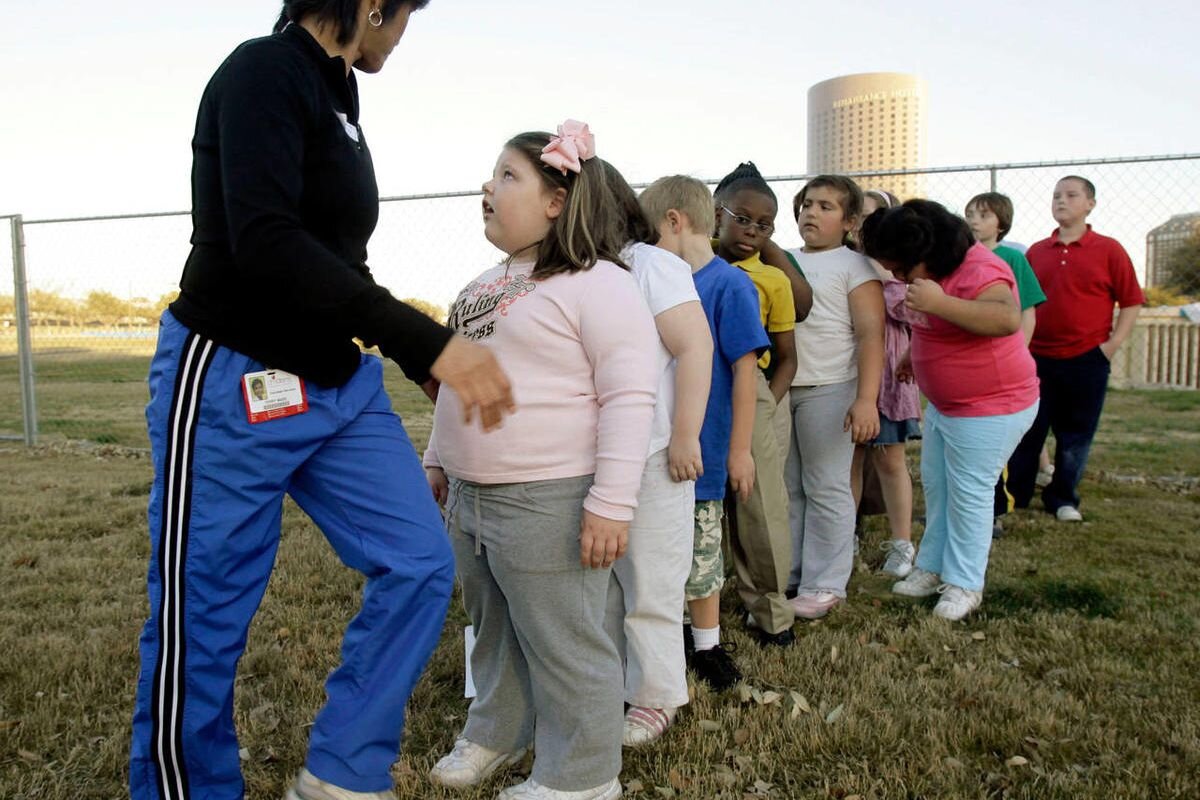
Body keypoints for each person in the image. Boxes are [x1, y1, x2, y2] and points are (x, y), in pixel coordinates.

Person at [130, 3, 514, 800]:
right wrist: (427, 338)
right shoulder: (261, 72)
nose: (404, 36)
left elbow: (335, 261)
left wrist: (414, 358)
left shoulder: (342, 93)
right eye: (407, 15)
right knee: (203, 617)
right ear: (373, 3)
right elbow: (265, 241)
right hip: (232, 375)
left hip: (334, 386)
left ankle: (342, 772)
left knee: (417, 563)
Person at [424, 122, 658, 800]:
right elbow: (453, 386)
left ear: (557, 200)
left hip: (550, 496)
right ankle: (497, 730)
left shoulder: (599, 283)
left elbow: (629, 394)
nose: (486, 188)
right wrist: (438, 458)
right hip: (472, 494)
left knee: (565, 641)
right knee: (491, 627)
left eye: (506, 176)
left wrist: (611, 502)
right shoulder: (477, 287)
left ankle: (582, 776)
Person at [861, 199, 1039, 620]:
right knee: (939, 486)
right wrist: (912, 356)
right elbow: (936, 328)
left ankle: (964, 583)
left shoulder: (980, 268)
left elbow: (1004, 318)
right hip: (948, 407)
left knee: (970, 495)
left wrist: (940, 304)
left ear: (927, 252)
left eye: (902, 269)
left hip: (991, 406)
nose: (899, 278)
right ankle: (932, 566)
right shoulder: (934, 274)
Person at [639, 175, 768, 691]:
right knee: (662, 554)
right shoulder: (648, 281)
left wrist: (739, 450)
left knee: (702, 553)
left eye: (649, 234)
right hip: (657, 445)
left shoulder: (727, 284)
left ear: (674, 221)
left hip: (707, 449)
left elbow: (744, 370)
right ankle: (666, 640)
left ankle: (708, 646)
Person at [600, 162, 713, 746]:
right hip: (596, 455)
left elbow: (695, 348)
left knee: (651, 577)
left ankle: (657, 694)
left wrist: (686, 436)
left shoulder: (652, 265)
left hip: (653, 450)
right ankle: (612, 681)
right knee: (606, 581)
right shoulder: (579, 270)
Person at [1007, 176, 1144, 522]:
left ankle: (1063, 497)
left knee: (1076, 434)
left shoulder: (1109, 249)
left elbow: (1131, 301)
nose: (1061, 201)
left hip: (1087, 359)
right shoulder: (1037, 252)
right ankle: (1016, 494)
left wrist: (1110, 347)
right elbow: (1022, 303)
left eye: (1071, 195)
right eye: (1056, 195)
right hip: (1037, 357)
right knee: (1029, 429)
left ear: (1090, 204)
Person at [785, 176, 884, 619]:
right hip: (783, 389)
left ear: (848, 222)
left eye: (826, 207)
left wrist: (866, 399)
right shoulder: (784, 260)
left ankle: (826, 582)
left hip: (831, 388)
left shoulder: (854, 266)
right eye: (807, 204)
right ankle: (789, 574)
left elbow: (870, 335)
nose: (812, 212)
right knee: (787, 488)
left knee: (826, 485)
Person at [711, 162, 798, 647]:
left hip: (755, 390)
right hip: (695, 392)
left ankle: (770, 611)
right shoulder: (689, 263)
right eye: (741, 218)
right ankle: (691, 605)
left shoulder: (773, 280)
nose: (751, 232)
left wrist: (765, 408)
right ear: (716, 214)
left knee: (760, 506)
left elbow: (787, 358)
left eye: (764, 225)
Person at [964, 192, 1047, 535]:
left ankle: (996, 509)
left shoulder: (1012, 259)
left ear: (1001, 222)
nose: (974, 220)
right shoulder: (959, 259)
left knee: (992, 443)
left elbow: (1027, 310)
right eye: (970, 214)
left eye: (983, 215)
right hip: (968, 365)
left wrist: (1020, 352)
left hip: (1001, 366)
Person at [849, 188, 921, 578]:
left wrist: (881, 276)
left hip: (891, 379)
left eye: (872, 217)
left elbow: (909, 311)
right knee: (851, 461)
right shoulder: (845, 263)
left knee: (891, 460)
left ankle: (901, 543)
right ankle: (846, 538)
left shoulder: (900, 270)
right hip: (851, 376)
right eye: (857, 217)